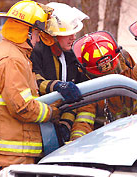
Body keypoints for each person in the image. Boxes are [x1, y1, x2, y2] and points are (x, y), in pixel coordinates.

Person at [0, 1, 62, 176]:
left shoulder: (10, 53)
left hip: (13, 153)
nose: (37, 39)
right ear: (26, 32)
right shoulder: (12, 60)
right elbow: (23, 107)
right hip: (13, 155)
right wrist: (53, 112)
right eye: (36, 33)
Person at [30, 2, 89, 142]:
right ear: (53, 36)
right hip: (40, 127)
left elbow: (73, 97)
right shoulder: (36, 52)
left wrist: (65, 125)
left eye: (74, 33)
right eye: (68, 33)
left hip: (59, 123)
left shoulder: (69, 56)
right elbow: (35, 82)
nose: (73, 37)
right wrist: (57, 86)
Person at [70, 31, 135, 140]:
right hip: (107, 140)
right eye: (102, 76)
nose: (108, 80)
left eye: (112, 72)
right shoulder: (89, 89)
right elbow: (84, 121)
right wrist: (74, 144)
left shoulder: (127, 64)